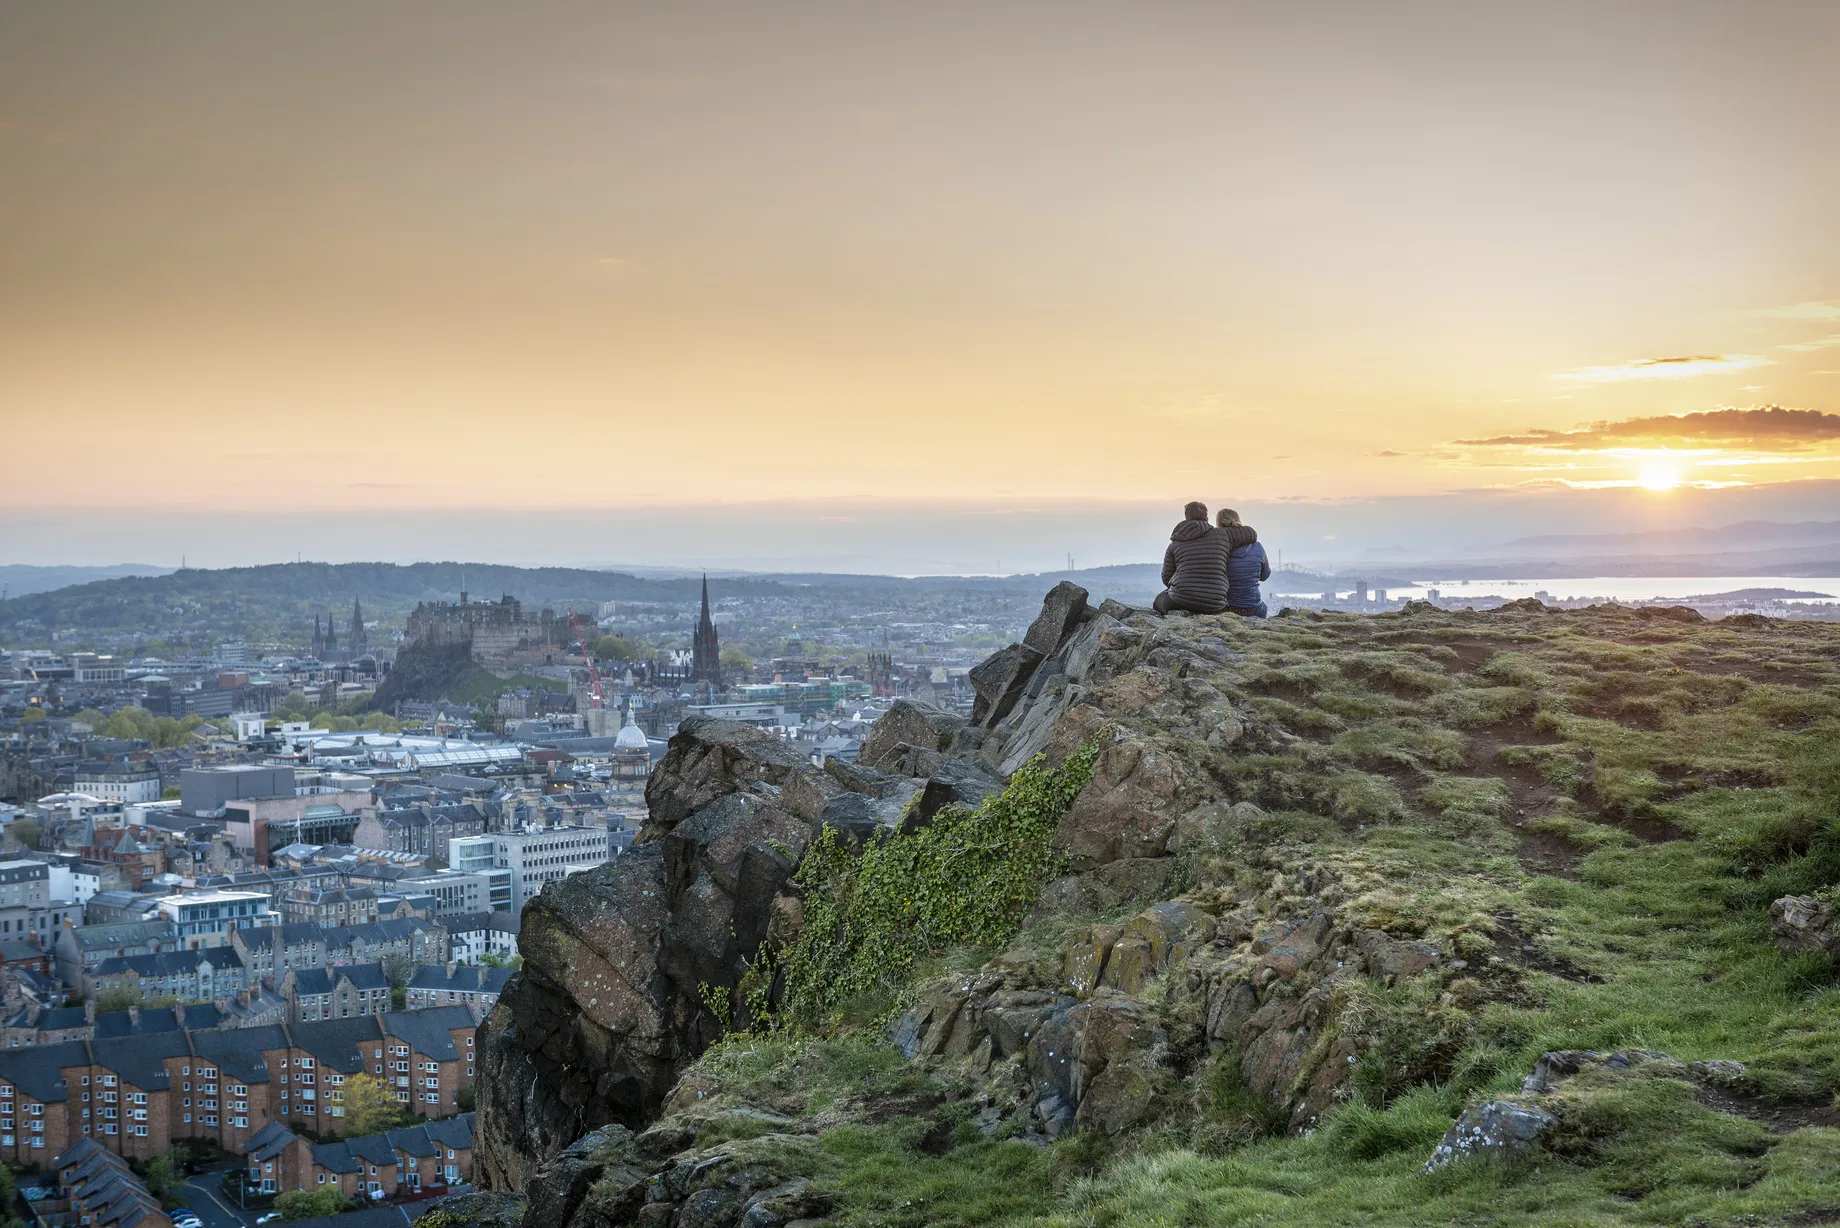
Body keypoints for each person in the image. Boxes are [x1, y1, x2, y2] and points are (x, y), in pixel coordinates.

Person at [1155, 501, 1231, 615]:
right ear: (1206, 516)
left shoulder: (1177, 540)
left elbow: (1166, 577)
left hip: (1181, 599)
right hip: (1216, 602)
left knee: (1158, 602)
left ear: (1186, 516)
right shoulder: (1222, 535)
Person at [1217, 508, 1270, 618]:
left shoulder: (1218, 548)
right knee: (1264, 607)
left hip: (1225, 607)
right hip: (1253, 607)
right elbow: (1265, 576)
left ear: (1218, 524)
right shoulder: (1257, 546)